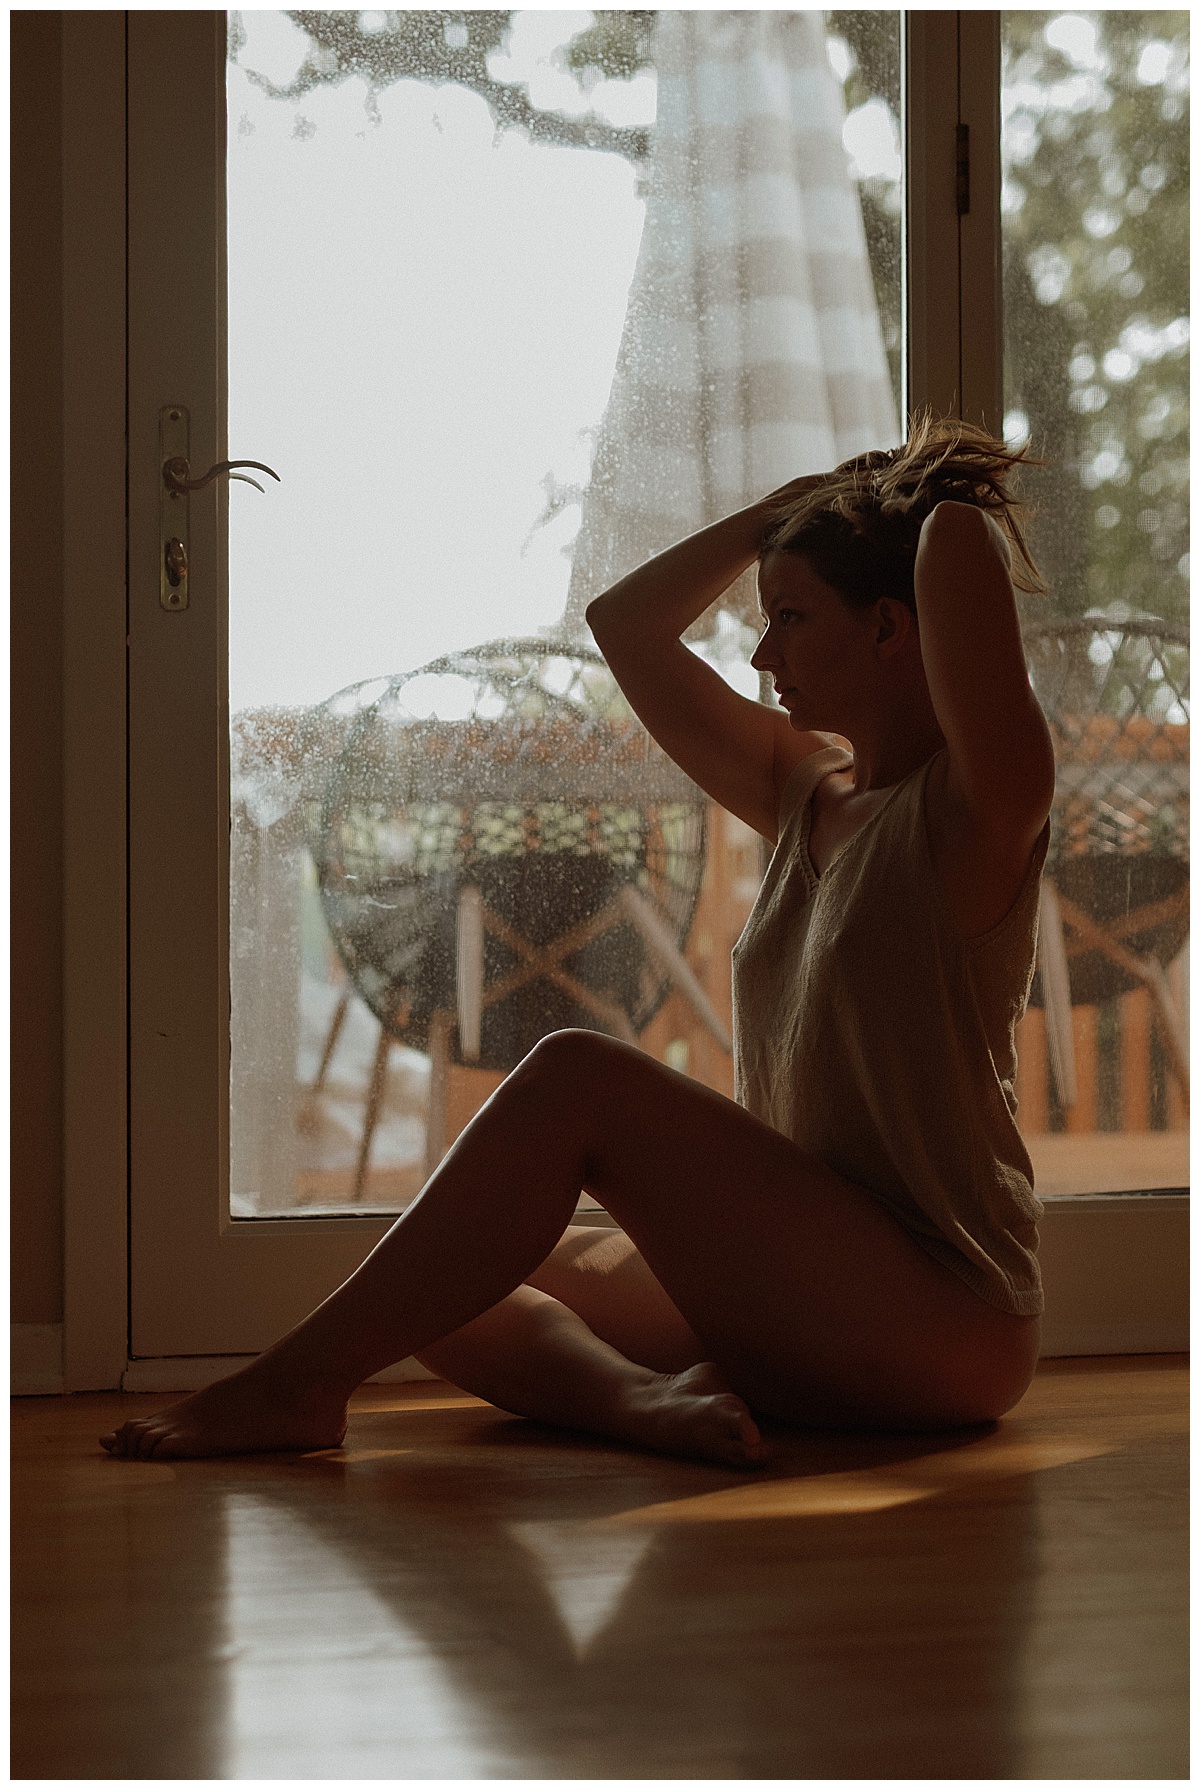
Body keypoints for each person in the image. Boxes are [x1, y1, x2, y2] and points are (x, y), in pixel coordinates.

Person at [103, 413, 1055, 1467]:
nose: (760, 651)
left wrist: (896, 494)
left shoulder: (977, 812)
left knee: (576, 1079)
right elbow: (625, 625)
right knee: (441, 1271)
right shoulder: (801, 795)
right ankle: (641, 1405)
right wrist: (783, 510)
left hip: (943, 1310)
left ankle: (293, 1384)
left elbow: (956, 539)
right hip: (805, 1281)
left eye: (789, 616)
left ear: (889, 630)